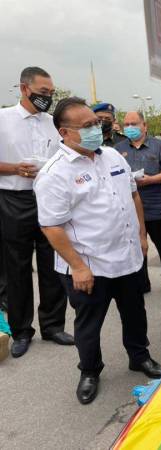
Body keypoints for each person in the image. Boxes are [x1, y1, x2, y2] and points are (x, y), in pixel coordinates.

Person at [34, 97, 161, 404]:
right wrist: (78, 267)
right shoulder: (55, 173)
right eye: (87, 126)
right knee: (88, 324)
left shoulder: (112, 157)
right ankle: (90, 370)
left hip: (127, 257)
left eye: (96, 123)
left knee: (135, 313)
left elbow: (133, 196)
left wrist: (142, 235)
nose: (96, 129)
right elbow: (51, 226)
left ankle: (139, 356)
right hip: (88, 266)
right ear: (65, 133)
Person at [0, 66, 72, 358]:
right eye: (43, 93)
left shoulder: (52, 123)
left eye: (51, 93)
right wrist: (15, 168)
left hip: (48, 199)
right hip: (13, 199)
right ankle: (21, 331)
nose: (48, 98)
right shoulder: (3, 119)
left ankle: (53, 326)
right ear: (24, 89)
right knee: (16, 268)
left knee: (51, 264)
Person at [115, 111, 161, 296]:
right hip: (130, 209)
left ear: (145, 126)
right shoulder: (118, 149)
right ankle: (142, 282)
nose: (129, 128)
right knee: (136, 247)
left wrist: (149, 180)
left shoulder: (160, 147)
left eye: (134, 124)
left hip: (157, 207)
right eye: (126, 124)